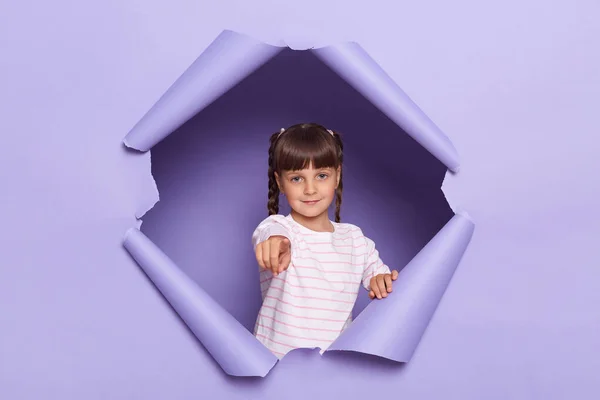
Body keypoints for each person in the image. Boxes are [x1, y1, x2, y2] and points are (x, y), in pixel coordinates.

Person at [251, 122, 399, 359]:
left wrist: (381, 280)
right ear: (280, 182)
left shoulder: (355, 240)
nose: (310, 189)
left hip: (332, 368)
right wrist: (277, 242)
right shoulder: (279, 228)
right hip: (274, 366)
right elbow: (269, 232)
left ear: (337, 176)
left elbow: (379, 279)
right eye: (297, 178)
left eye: (321, 175)